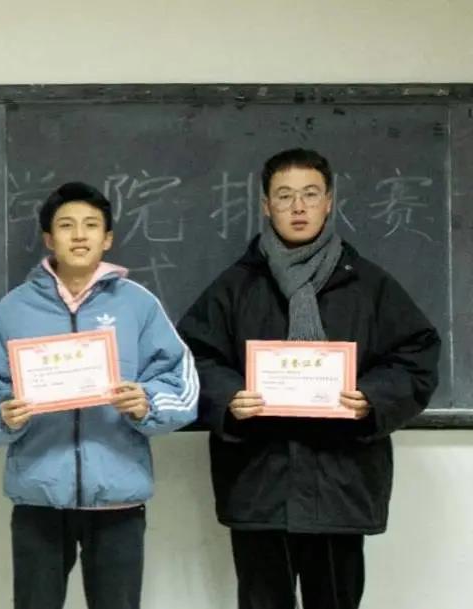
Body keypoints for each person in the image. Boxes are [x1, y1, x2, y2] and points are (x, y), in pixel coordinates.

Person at [177, 148, 441, 609]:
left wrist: (373, 398)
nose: (298, 207)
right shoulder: (235, 287)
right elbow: (191, 357)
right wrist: (229, 397)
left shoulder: (369, 285)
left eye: (310, 194)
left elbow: (416, 356)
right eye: (284, 196)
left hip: (341, 484)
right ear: (266, 205)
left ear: (329, 202)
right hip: (259, 484)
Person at [0, 181, 198, 609]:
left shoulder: (138, 305)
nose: (80, 235)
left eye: (91, 225)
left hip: (118, 499)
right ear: (50, 239)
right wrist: (3, 416)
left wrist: (147, 404)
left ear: (108, 238)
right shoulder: (14, 309)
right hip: (39, 499)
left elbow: (180, 384)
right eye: (67, 225)